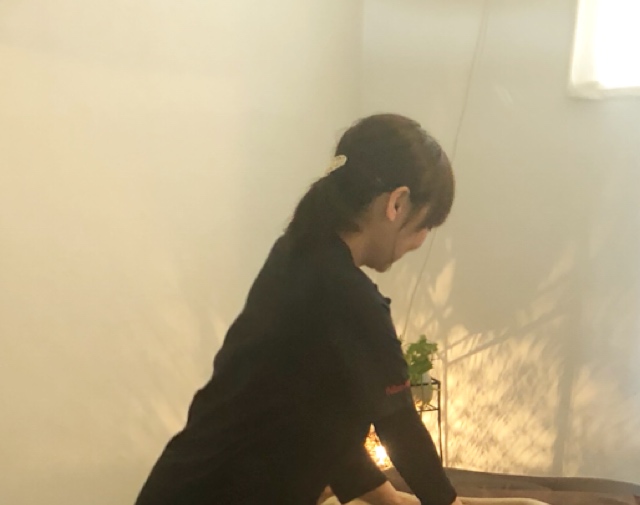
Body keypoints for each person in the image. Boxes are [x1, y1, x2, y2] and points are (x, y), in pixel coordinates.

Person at [134, 114, 462, 505]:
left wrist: (390, 500)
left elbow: (314, 422)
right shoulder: (347, 295)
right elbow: (401, 427)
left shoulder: (296, 257)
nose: (421, 241)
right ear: (397, 203)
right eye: (426, 225)